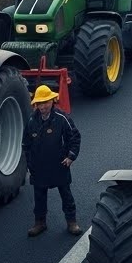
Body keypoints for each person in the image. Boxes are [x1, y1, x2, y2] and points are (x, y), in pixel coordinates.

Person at [24, 85, 82, 237]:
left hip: (59, 164)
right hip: (39, 167)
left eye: (45, 102)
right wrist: (29, 164)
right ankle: (40, 223)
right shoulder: (31, 121)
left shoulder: (62, 118)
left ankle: (72, 222)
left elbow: (75, 137)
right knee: (39, 196)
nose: (42, 106)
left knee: (66, 194)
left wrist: (70, 157)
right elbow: (26, 144)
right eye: (39, 103)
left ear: (52, 102)